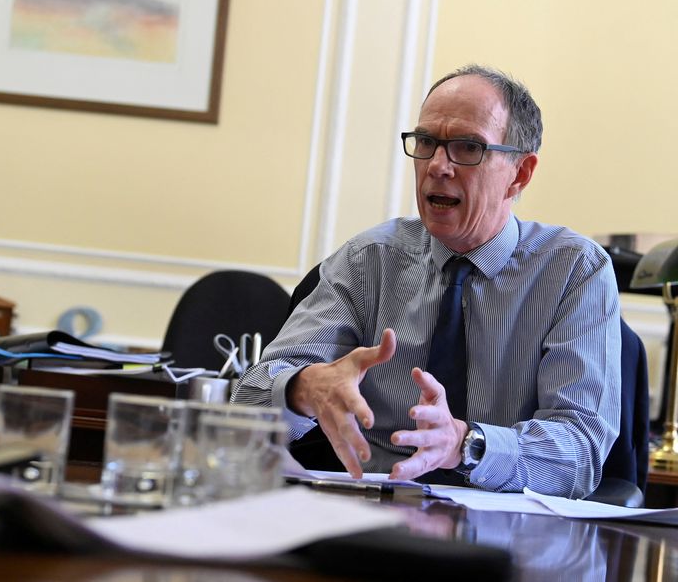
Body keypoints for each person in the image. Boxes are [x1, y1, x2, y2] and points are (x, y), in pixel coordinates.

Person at [231, 64, 621, 499]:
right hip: (371, 513)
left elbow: (581, 451)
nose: (438, 165)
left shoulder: (574, 271)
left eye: (468, 147)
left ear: (520, 173)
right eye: (427, 142)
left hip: (507, 529)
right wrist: (302, 389)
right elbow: (244, 405)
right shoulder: (370, 259)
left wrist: (465, 444)